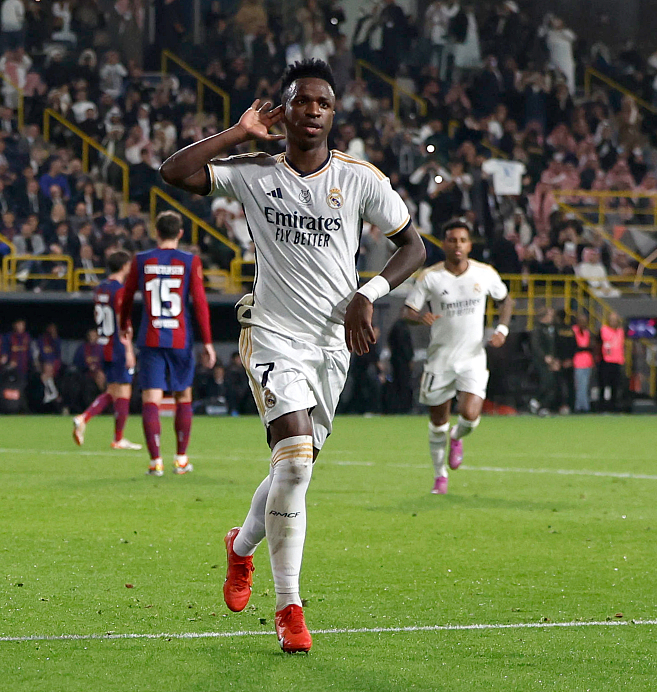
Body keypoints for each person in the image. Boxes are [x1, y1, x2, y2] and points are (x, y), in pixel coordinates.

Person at [158, 58, 425, 653]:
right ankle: (290, 610)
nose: (311, 111)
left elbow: (413, 246)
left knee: (290, 474)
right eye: (301, 101)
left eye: (322, 103)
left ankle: (240, 547)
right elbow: (173, 171)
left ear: (333, 115)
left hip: (333, 344)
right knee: (297, 466)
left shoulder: (361, 179)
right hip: (273, 334)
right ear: (284, 110)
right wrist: (236, 134)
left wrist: (369, 292)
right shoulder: (255, 172)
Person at [401, 219, 513, 494]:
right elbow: (407, 312)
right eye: (452, 240)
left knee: (470, 414)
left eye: (463, 240)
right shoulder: (431, 276)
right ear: (444, 243)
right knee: (438, 421)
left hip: (473, 357)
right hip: (440, 359)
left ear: (470, 244)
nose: (458, 245)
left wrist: (502, 329)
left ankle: (458, 436)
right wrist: (420, 317)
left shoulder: (484, 273)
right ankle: (440, 476)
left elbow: (506, 300)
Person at [116, 211, 215, 475]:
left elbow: (126, 297)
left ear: (156, 233)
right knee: (184, 394)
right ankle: (181, 459)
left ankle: (155, 462)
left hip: (151, 336)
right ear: (180, 233)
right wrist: (207, 341)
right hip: (180, 337)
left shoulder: (141, 260)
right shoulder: (189, 261)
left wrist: (124, 323)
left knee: (151, 397)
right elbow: (200, 303)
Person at [72, 250, 143, 451]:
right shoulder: (120, 290)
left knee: (113, 391)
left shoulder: (100, 289)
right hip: (118, 346)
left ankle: (86, 420)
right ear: (123, 267)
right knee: (123, 392)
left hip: (103, 345)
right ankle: (115, 437)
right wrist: (129, 350)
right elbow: (123, 320)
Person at [599, 312, 626, 412]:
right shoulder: (604, 330)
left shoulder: (620, 331)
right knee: (605, 385)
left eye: (615, 320)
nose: (613, 322)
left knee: (616, 386)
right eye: (611, 320)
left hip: (618, 361)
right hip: (607, 361)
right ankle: (603, 407)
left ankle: (614, 407)